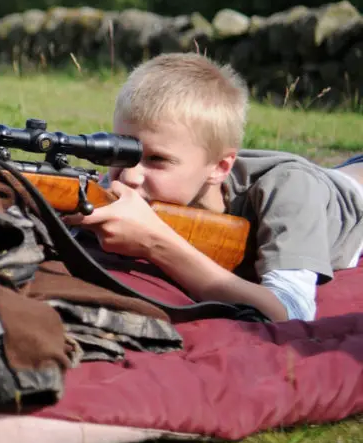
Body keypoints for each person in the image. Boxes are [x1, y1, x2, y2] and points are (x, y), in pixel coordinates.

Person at [63, 52, 363, 322]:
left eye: (157, 159)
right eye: (121, 151)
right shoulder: (128, 179)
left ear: (219, 168)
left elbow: (290, 312)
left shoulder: (289, 191)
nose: (129, 177)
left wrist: (156, 243)